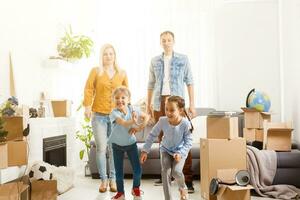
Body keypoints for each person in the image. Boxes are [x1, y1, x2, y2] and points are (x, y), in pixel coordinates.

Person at [146, 31, 196, 193]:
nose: (166, 42)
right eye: (163, 40)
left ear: (173, 41)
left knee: (184, 138)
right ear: (160, 42)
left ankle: (186, 178)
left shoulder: (183, 59)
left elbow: (190, 81)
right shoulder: (154, 61)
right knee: (162, 138)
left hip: (177, 101)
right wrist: (148, 105)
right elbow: (150, 84)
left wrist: (192, 104)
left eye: (169, 40)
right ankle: (165, 174)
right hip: (160, 101)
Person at [83, 44, 128, 193]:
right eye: (105, 54)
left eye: (111, 54)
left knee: (114, 149)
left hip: (116, 117)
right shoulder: (95, 71)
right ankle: (103, 180)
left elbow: (126, 92)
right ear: (101, 56)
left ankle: (113, 180)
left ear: (115, 56)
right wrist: (87, 107)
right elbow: (89, 89)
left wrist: (126, 109)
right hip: (99, 116)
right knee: (101, 148)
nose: (108, 56)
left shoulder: (121, 73)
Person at [141, 96, 193, 200]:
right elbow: (152, 135)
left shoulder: (185, 124)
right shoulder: (162, 120)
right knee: (166, 171)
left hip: (179, 151)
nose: (168, 113)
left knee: (176, 172)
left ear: (180, 110)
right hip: (165, 150)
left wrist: (181, 153)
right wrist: (145, 150)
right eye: (166, 109)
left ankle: (183, 187)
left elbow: (189, 142)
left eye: (172, 110)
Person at [109, 86, 149, 200]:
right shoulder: (114, 113)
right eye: (116, 98)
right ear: (113, 100)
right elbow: (123, 122)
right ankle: (120, 193)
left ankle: (135, 188)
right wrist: (133, 121)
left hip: (131, 145)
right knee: (119, 172)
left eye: (123, 97)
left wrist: (139, 127)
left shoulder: (133, 109)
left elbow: (147, 117)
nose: (119, 100)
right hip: (117, 146)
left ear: (128, 99)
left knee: (137, 169)